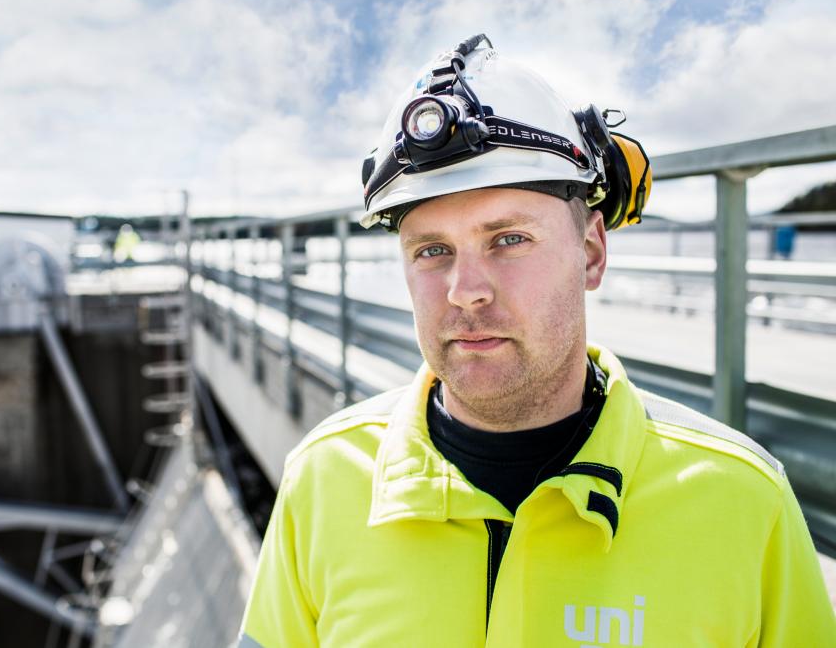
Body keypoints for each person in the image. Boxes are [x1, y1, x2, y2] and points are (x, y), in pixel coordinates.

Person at [238, 35, 835, 646]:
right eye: (432, 250)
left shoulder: (742, 504)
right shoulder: (323, 477)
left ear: (592, 251)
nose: (465, 291)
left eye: (509, 240)